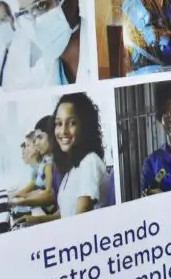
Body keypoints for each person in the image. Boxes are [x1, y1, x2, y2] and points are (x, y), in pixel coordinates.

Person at [17, 93, 109, 225]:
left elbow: (80, 220)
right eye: (59, 124)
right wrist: (35, 220)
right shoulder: (72, 167)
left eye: (71, 123)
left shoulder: (90, 161)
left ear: (85, 126)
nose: (63, 131)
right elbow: (66, 213)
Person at [11, 0, 92, 88]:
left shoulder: (101, 48)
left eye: (41, 5)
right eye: (26, 13)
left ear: (71, 0)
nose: (33, 23)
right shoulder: (43, 70)